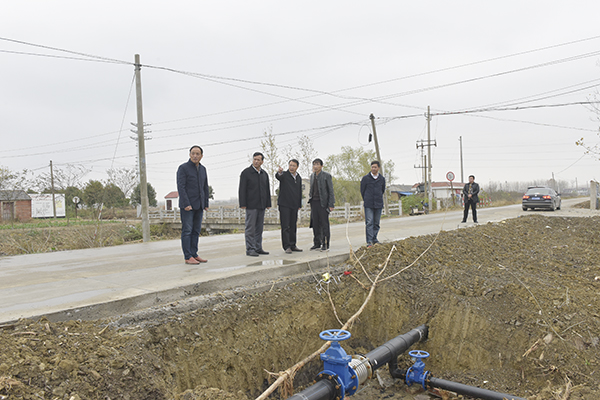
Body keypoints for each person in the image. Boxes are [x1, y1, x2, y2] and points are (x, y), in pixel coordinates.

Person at [177, 145, 210, 264]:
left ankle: (194, 254)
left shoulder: (203, 169)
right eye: (193, 153)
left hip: (199, 205)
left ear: (201, 156)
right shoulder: (183, 168)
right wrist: (186, 203)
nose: (195, 156)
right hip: (187, 206)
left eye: (197, 154)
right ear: (189, 155)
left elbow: (205, 187)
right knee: (187, 230)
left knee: (196, 231)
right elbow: (181, 187)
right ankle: (188, 256)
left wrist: (205, 203)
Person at [239, 152, 272, 257]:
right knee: (250, 228)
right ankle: (250, 249)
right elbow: (242, 189)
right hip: (251, 205)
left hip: (261, 205)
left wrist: (268, 203)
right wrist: (243, 203)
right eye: (255, 159)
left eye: (258, 160)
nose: (256, 161)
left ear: (262, 162)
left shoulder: (264, 174)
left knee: (259, 228)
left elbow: (267, 189)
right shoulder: (246, 173)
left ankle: (258, 247)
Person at [276, 159, 303, 254]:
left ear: (297, 167)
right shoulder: (284, 175)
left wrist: (299, 204)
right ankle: (286, 246)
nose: (291, 167)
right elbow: (278, 176)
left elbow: (299, 191)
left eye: (293, 166)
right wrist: (279, 172)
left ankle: (293, 245)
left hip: (294, 205)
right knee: (285, 226)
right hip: (284, 205)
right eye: (290, 165)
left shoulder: (298, 177)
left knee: (293, 226)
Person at [308, 158, 335, 251]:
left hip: (323, 203)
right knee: (315, 224)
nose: (315, 166)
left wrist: (331, 204)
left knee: (324, 224)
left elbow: (330, 190)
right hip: (314, 202)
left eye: (317, 164)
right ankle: (317, 243)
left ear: (321, 166)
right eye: (314, 164)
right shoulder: (312, 176)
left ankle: (325, 244)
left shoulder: (326, 176)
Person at [360, 161, 386, 247]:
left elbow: (382, 190)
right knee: (369, 222)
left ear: (378, 168)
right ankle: (369, 241)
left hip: (378, 203)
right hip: (369, 204)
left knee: (376, 223)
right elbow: (362, 190)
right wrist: (367, 198)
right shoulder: (366, 178)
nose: (373, 169)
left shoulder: (381, 179)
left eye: (375, 167)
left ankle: (375, 239)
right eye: (372, 167)